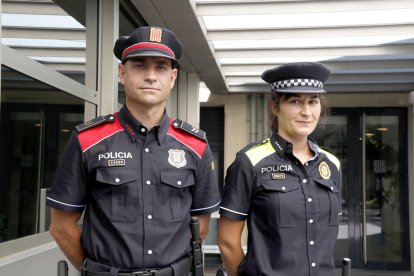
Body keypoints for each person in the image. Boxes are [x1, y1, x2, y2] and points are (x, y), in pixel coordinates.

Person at [47, 26, 221, 276]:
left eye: (161, 67)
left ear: (172, 78)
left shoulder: (195, 145)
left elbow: (200, 226)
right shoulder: (88, 140)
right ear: (122, 73)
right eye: (139, 65)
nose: (151, 76)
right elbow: (61, 226)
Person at [217, 62, 342, 276]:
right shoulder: (250, 162)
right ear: (275, 107)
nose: (306, 112)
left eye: (313, 102)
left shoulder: (331, 164)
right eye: (295, 101)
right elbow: (227, 241)